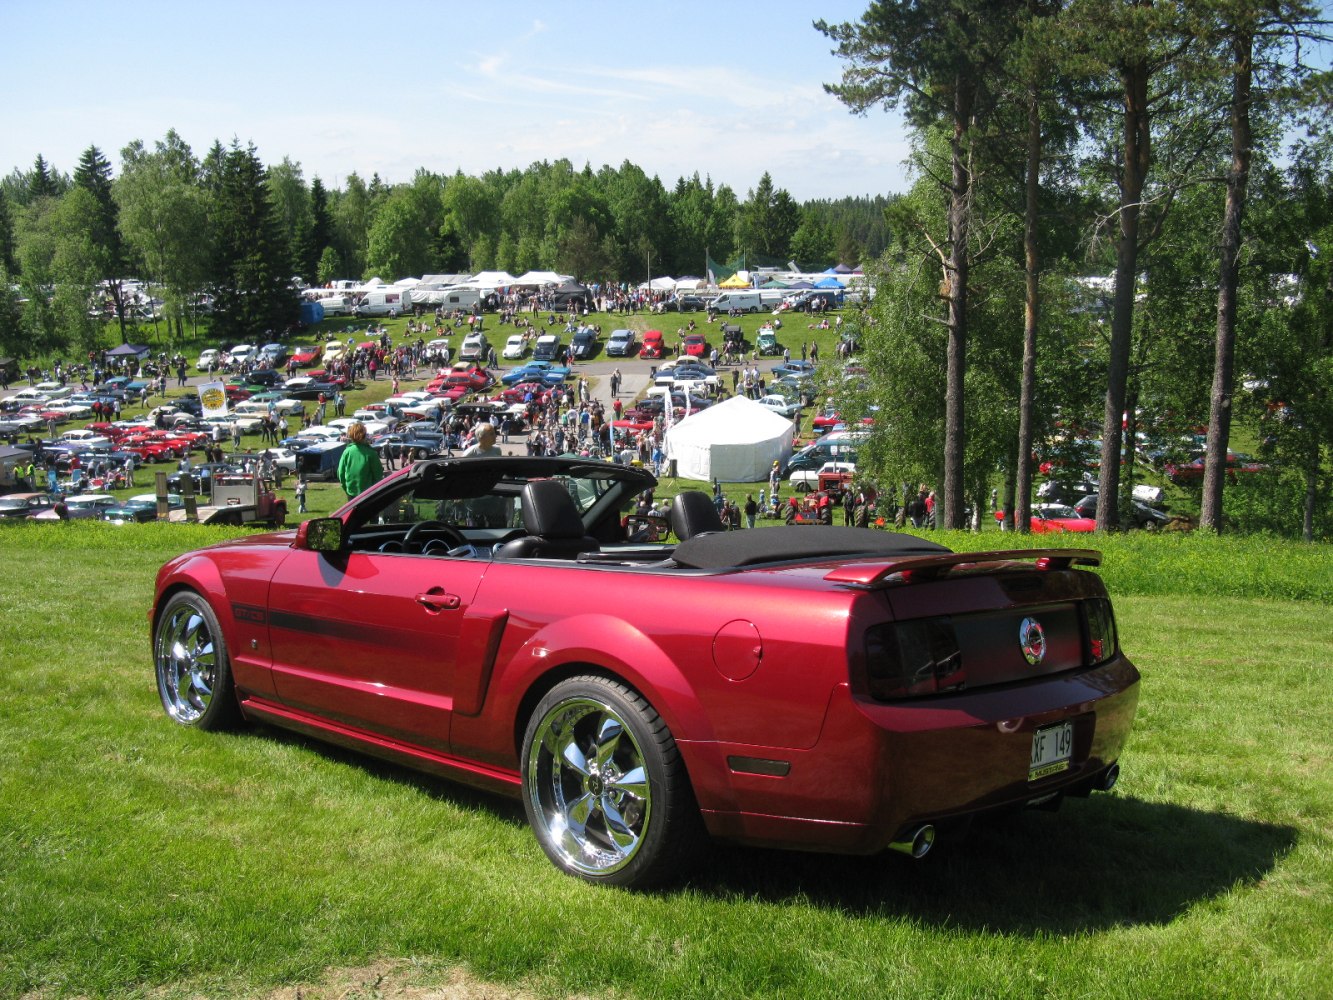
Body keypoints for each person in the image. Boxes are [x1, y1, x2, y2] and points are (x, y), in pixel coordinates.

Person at [336, 422, 384, 500]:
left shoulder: (347, 452)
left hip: (351, 494)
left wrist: (347, 489)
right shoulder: (371, 453)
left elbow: (341, 474)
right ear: (364, 435)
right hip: (369, 495)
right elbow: (378, 475)